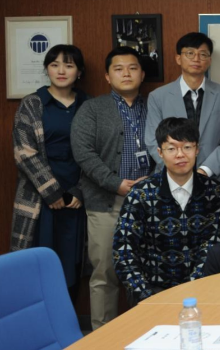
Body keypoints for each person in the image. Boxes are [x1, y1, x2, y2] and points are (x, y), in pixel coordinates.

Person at [71, 46, 152, 330]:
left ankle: (145, 333)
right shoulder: (92, 109)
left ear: (142, 74)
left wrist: (152, 183)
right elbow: (83, 153)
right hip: (106, 202)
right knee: (105, 272)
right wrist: (115, 184)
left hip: (148, 202)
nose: (126, 73)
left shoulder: (153, 106)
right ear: (107, 76)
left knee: (145, 270)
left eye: (132, 68)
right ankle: (103, 337)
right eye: (118, 69)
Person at [114, 118, 220, 304]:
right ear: (160, 152)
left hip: (200, 290)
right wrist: (146, 296)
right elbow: (124, 250)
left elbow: (212, 245)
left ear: (197, 149)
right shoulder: (140, 194)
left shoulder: (214, 192)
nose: (180, 155)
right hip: (151, 293)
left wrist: (191, 292)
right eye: (172, 148)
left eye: (187, 147)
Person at [11, 44, 89, 293]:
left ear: (79, 71)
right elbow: (24, 152)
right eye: (55, 65)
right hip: (40, 195)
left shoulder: (88, 104)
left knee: (72, 263)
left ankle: (69, 315)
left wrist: (79, 190)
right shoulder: (32, 103)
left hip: (76, 196)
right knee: (38, 263)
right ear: (47, 69)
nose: (61, 71)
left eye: (69, 65)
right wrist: (52, 192)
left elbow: (97, 152)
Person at [144, 32, 220, 233]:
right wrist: (179, 169)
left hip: (214, 179)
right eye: (190, 53)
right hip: (170, 179)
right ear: (178, 58)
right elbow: (153, 141)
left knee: (213, 235)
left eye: (203, 54)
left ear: (209, 60)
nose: (197, 59)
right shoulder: (158, 96)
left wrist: (204, 171)